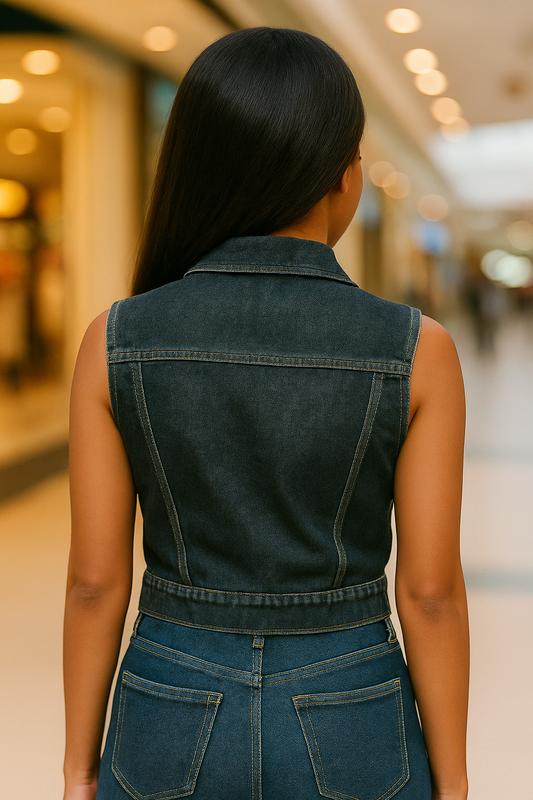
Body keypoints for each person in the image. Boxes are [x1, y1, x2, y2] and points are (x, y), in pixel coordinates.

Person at [63, 27, 469, 800]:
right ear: (344, 177)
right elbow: (429, 594)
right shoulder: (417, 348)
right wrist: (451, 786)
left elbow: (92, 582)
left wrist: (79, 770)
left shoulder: (115, 339)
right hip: (353, 712)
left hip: (166, 707)